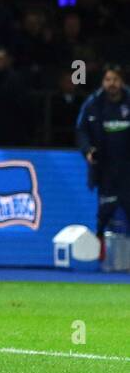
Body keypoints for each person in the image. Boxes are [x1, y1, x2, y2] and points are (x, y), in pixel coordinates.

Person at [76, 65, 130, 245]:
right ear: (102, 82)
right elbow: (81, 130)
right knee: (104, 210)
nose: (111, 84)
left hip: (127, 167)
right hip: (105, 168)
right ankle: (99, 250)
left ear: (121, 82)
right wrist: (87, 150)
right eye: (108, 80)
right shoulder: (93, 103)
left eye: (115, 79)